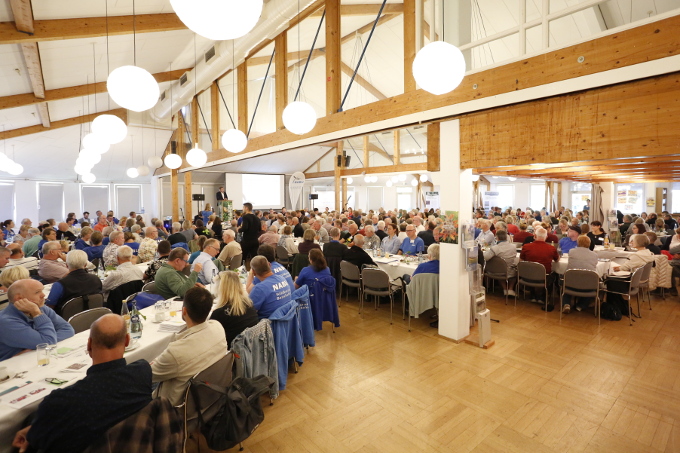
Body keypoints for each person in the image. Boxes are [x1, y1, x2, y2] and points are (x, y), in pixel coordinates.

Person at [11, 314, 152, 453]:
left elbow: (36, 440)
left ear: (89, 344)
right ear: (127, 341)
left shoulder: (60, 401)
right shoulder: (142, 373)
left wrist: (36, 427)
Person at [151, 287, 227, 405]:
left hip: (175, 409)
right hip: (210, 397)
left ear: (184, 311)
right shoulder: (218, 327)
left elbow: (148, 376)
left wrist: (155, 362)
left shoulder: (175, 352)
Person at [0, 279, 74, 361]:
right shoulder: (5, 322)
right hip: (11, 367)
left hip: (32, 359)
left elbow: (68, 329)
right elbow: (48, 341)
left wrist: (37, 346)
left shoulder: (41, 308)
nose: (43, 295)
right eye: (37, 292)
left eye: (42, 291)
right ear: (19, 298)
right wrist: (37, 315)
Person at [211, 271, 259, 345]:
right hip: (252, 347)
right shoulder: (249, 304)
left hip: (232, 351)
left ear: (220, 289)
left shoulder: (219, 314)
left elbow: (212, 338)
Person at [519, 227, 559, 310]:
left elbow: (521, 261)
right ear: (546, 237)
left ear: (534, 236)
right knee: (554, 274)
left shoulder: (526, 246)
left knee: (533, 271)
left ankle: (533, 295)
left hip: (527, 276)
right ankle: (543, 297)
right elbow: (557, 260)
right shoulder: (551, 248)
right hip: (544, 277)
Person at [562, 236, 598, 313]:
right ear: (589, 244)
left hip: (571, 283)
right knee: (594, 284)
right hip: (587, 286)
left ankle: (566, 303)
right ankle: (581, 305)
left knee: (566, 280)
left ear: (578, 243)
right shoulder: (594, 255)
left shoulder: (572, 251)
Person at [483, 230, 517, 296]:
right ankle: (510, 289)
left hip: (497, 271)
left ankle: (505, 289)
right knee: (514, 271)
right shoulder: (513, 247)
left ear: (497, 238)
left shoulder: (495, 248)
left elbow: (485, 257)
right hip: (510, 270)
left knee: (500, 269)